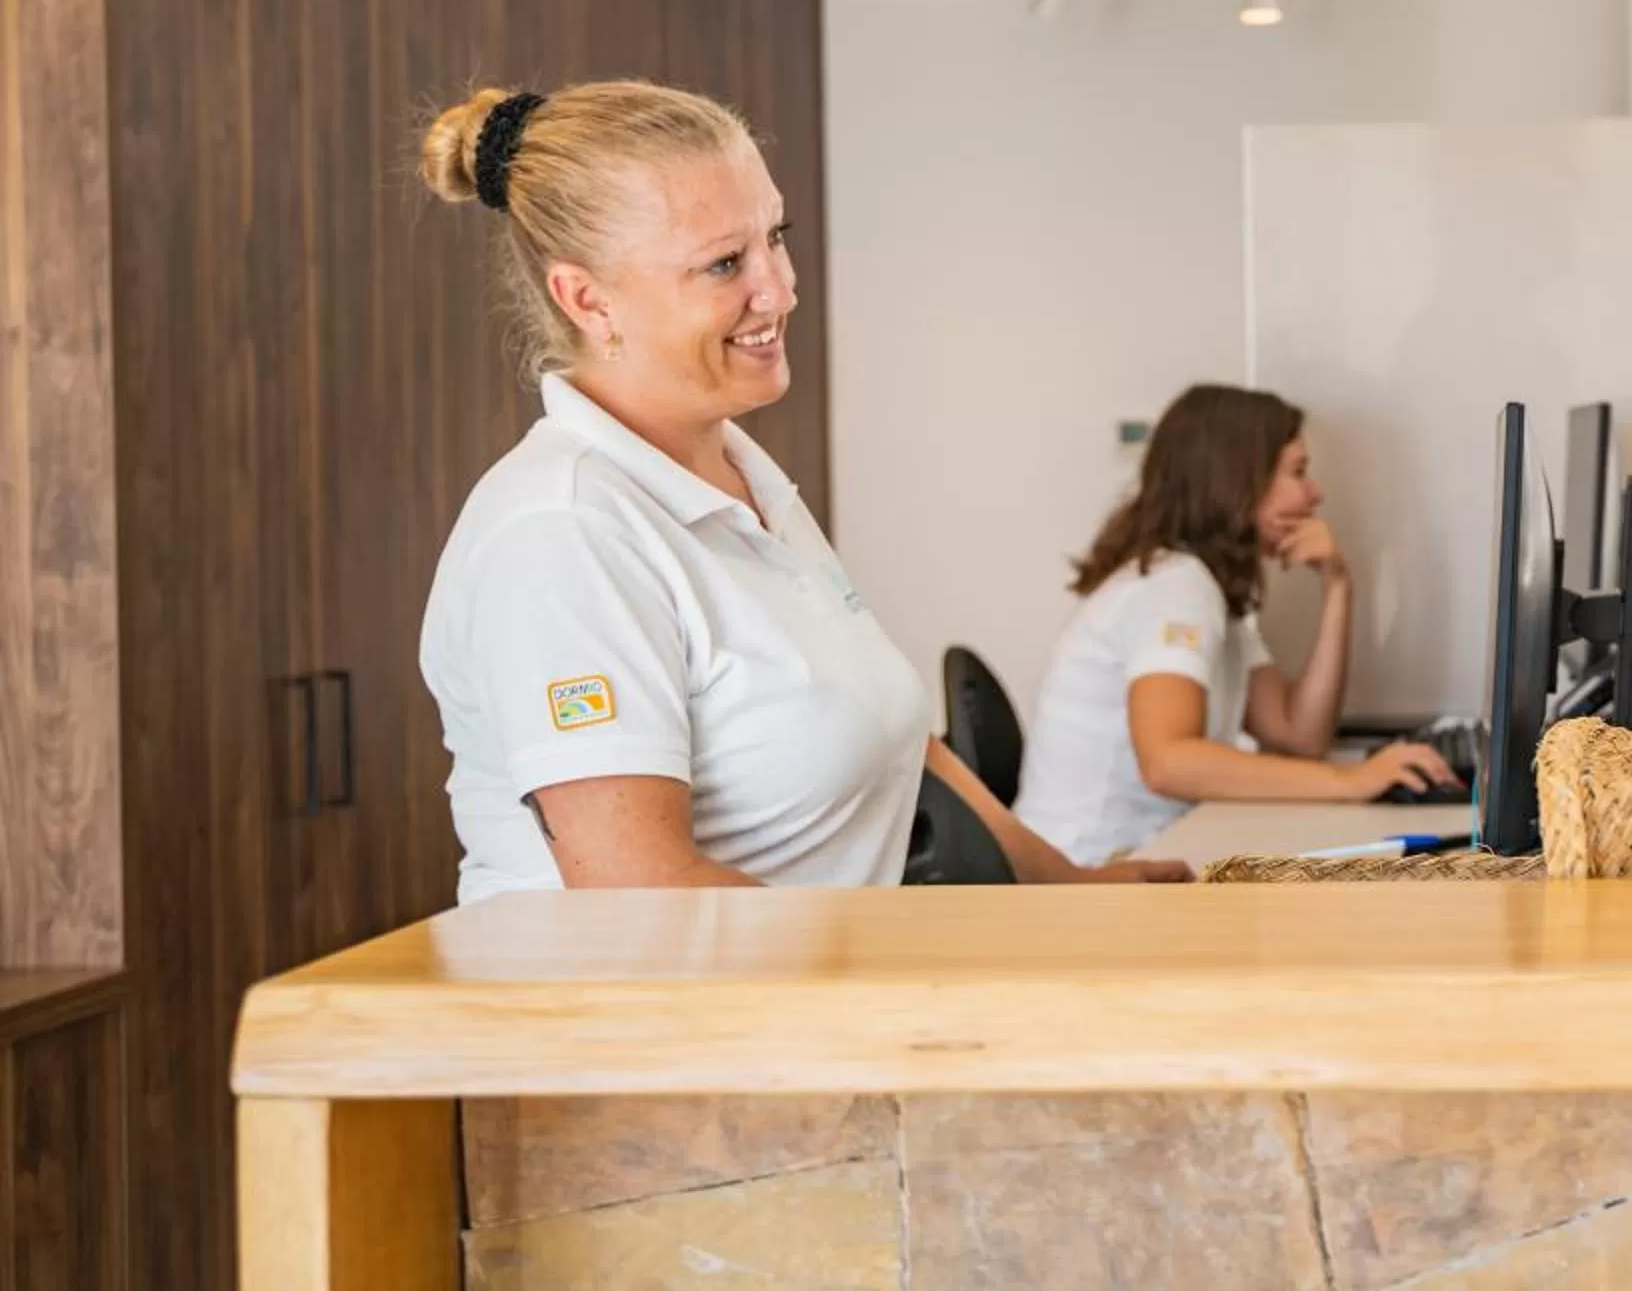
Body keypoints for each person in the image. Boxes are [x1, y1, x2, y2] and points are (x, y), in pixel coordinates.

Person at [415, 80, 1187, 898]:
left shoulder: (746, 482)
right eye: (723, 263)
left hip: (806, 994)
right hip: (663, 1017)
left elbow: (902, 745)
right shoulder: (562, 532)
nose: (778, 289)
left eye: (773, 238)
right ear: (587, 298)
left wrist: (1065, 886)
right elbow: (641, 896)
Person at [1014, 385, 1459, 867]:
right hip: (1084, 875)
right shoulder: (1175, 588)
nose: (1315, 493)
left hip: (1127, 857)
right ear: (1238, 481)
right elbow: (1169, 762)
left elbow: (1297, 736)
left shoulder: (1211, 592)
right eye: (1298, 471)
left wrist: (1337, 585)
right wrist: (1352, 782)